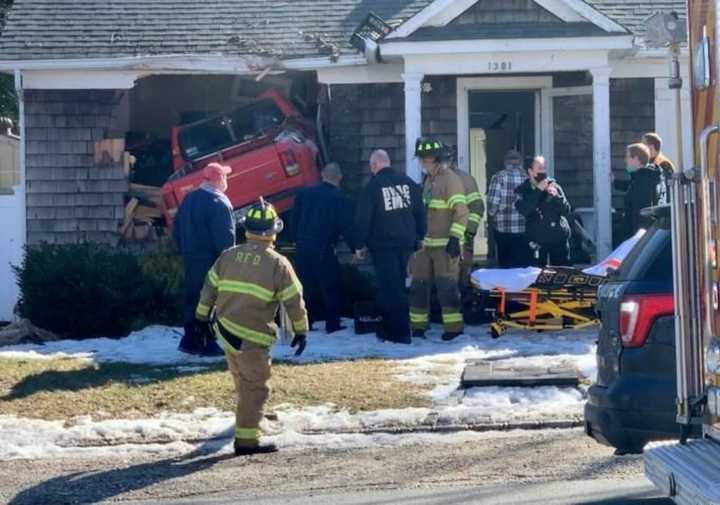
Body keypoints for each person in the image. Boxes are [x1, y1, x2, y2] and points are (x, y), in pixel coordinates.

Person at [195, 199, 308, 456]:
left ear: (247, 230)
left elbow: (208, 289)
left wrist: (200, 319)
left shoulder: (228, 256)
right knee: (256, 386)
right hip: (252, 339)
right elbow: (294, 300)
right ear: (272, 232)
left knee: (241, 377)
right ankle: (246, 441)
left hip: (225, 331)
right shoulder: (278, 264)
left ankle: (249, 414)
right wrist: (301, 330)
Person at [354, 150, 426, 344]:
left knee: (391, 288)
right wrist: (421, 237)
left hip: (383, 246)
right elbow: (420, 212)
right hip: (407, 244)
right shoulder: (409, 183)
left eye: (371, 167)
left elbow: (363, 219)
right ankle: (396, 328)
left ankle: (399, 333)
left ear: (375, 165)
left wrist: (359, 244)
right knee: (400, 287)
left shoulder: (373, 187)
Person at [409, 138, 469, 342]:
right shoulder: (428, 180)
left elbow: (461, 212)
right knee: (418, 286)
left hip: (445, 246)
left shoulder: (450, 180)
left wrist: (455, 238)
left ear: (434, 160)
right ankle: (417, 327)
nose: (421, 164)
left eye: (424, 160)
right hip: (425, 246)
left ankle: (453, 329)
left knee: (447, 287)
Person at [173, 162, 235, 356]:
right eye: (225, 176)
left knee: (193, 299)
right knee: (209, 301)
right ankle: (207, 343)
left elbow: (176, 231)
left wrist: (184, 250)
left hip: (191, 259)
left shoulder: (189, 199)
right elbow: (225, 239)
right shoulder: (219, 202)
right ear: (219, 179)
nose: (227, 180)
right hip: (211, 262)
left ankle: (190, 341)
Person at [293, 162, 354, 334]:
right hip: (324, 248)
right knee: (330, 285)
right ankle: (332, 323)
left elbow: (294, 218)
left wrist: (295, 240)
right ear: (339, 177)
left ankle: (307, 321)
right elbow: (346, 225)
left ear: (322, 175)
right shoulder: (339, 198)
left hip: (303, 246)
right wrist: (356, 247)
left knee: (306, 285)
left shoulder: (304, 193)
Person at [515, 156, 572, 267]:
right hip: (537, 241)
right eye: (540, 168)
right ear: (530, 171)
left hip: (558, 238)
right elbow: (524, 210)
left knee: (562, 273)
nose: (543, 172)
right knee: (536, 276)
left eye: (544, 168)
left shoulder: (554, 186)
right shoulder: (523, 190)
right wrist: (538, 190)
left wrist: (556, 196)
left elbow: (566, 210)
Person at [448, 153, 485, 298]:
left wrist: (469, 232)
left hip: (461, 239)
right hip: (438, 240)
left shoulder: (465, 180)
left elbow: (477, 207)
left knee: (461, 277)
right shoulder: (431, 179)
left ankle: (462, 307)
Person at [487, 149, 530, 267]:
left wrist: (492, 215)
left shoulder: (499, 177)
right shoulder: (529, 178)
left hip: (503, 227)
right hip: (524, 227)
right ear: (521, 162)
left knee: (506, 265)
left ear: (505, 162)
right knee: (522, 265)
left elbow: (493, 204)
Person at [615, 143, 661, 239]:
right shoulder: (645, 177)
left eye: (627, 157)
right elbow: (630, 186)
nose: (625, 160)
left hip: (638, 239)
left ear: (635, 159)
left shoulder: (642, 182)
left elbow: (641, 216)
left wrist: (634, 240)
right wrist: (614, 182)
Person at [642, 132, 675, 205]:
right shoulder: (650, 162)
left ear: (651, 147)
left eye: (643, 146)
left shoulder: (663, 164)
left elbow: (667, 191)